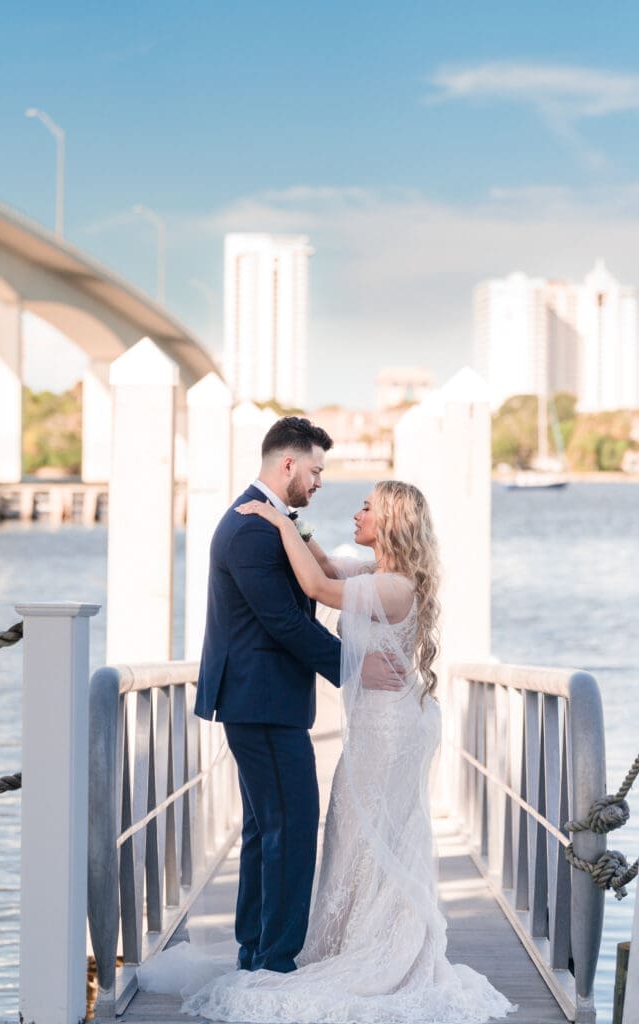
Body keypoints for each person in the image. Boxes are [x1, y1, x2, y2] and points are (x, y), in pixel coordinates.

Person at [140, 479, 513, 1023]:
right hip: (375, 727)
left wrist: (277, 522)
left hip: (390, 730)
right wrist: (293, 520)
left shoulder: (396, 587)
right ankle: (351, 936)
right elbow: (329, 566)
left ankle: (385, 944)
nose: (356, 513)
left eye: (367, 508)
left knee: (374, 831)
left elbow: (315, 586)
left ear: (389, 522)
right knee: (351, 829)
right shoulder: (374, 574)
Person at [192, 416, 398, 976]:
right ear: (288, 464)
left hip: (262, 700)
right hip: (259, 701)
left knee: (267, 828)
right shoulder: (251, 529)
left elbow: (320, 580)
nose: (321, 481)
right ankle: (276, 961)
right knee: (293, 826)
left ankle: (257, 950)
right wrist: (355, 667)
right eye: (316, 469)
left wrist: (296, 529)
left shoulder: (270, 521)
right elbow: (284, 620)